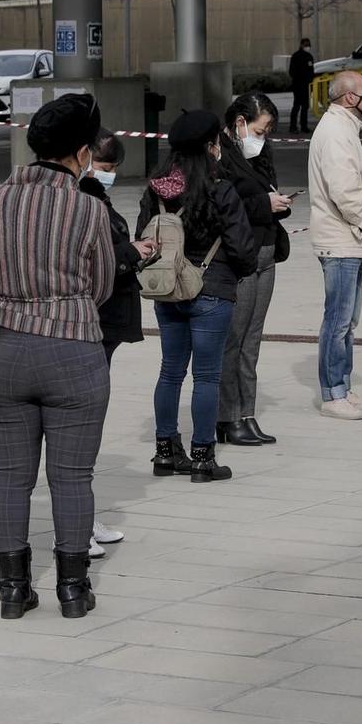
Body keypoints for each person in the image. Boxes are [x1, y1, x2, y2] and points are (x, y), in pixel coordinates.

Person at [0, 94, 115, 620]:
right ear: (81, 152)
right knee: (73, 477)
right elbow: (100, 286)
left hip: (3, 352)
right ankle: (73, 591)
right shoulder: (88, 208)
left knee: (7, 474)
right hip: (74, 351)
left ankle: (13, 589)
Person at [138, 111, 258, 481]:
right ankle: (203, 457)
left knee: (170, 371)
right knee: (206, 375)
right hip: (212, 288)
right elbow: (243, 248)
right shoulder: (219, 187)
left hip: (168, 289)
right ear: (210, 146)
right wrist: (233, 273)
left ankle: (165, 452)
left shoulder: (156, 189)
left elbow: (145, 237)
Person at [81, 128, 156, 558]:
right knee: (79, 432)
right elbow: (97, 256)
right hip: (89, 324)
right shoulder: (83, 200)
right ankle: (77, 525)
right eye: (105, 166)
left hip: (101, 324)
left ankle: (84, 517)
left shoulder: (92, 196)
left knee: (86, 430)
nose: (108, 174)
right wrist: (132, 252)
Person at [217, 94, 292, 447]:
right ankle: (227, 416)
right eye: (259, 130)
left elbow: (264, 194)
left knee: (252, 339)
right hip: (241, 255)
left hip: (266, 251)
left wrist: (278, 203)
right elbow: (225, 205)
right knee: (234, 338)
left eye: (267, 132)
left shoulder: (261, 153)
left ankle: (247, 413)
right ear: (240, 123)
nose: (261, 138)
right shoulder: (219, 153)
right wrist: (264, 203)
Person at [308, 71, 362, 419]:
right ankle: (332, 393)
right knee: (337, 321)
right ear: (350, 98)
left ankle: (344, 387)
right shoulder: (336, 133)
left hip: (350, 241)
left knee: (346, 322)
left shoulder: (346, 129)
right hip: (342, 241)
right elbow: (344, 190)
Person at [289, 38, 317, 134]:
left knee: (304, 107)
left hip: (304, 85)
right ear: (301, 45)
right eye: (306, 45)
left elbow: (311, 71)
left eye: (308, 45)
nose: (307, 47)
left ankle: (302, 126)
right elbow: (292, 71)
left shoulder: (308, 56)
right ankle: (294, 127)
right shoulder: (297, 56)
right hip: (299, 85)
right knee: (297, 106)